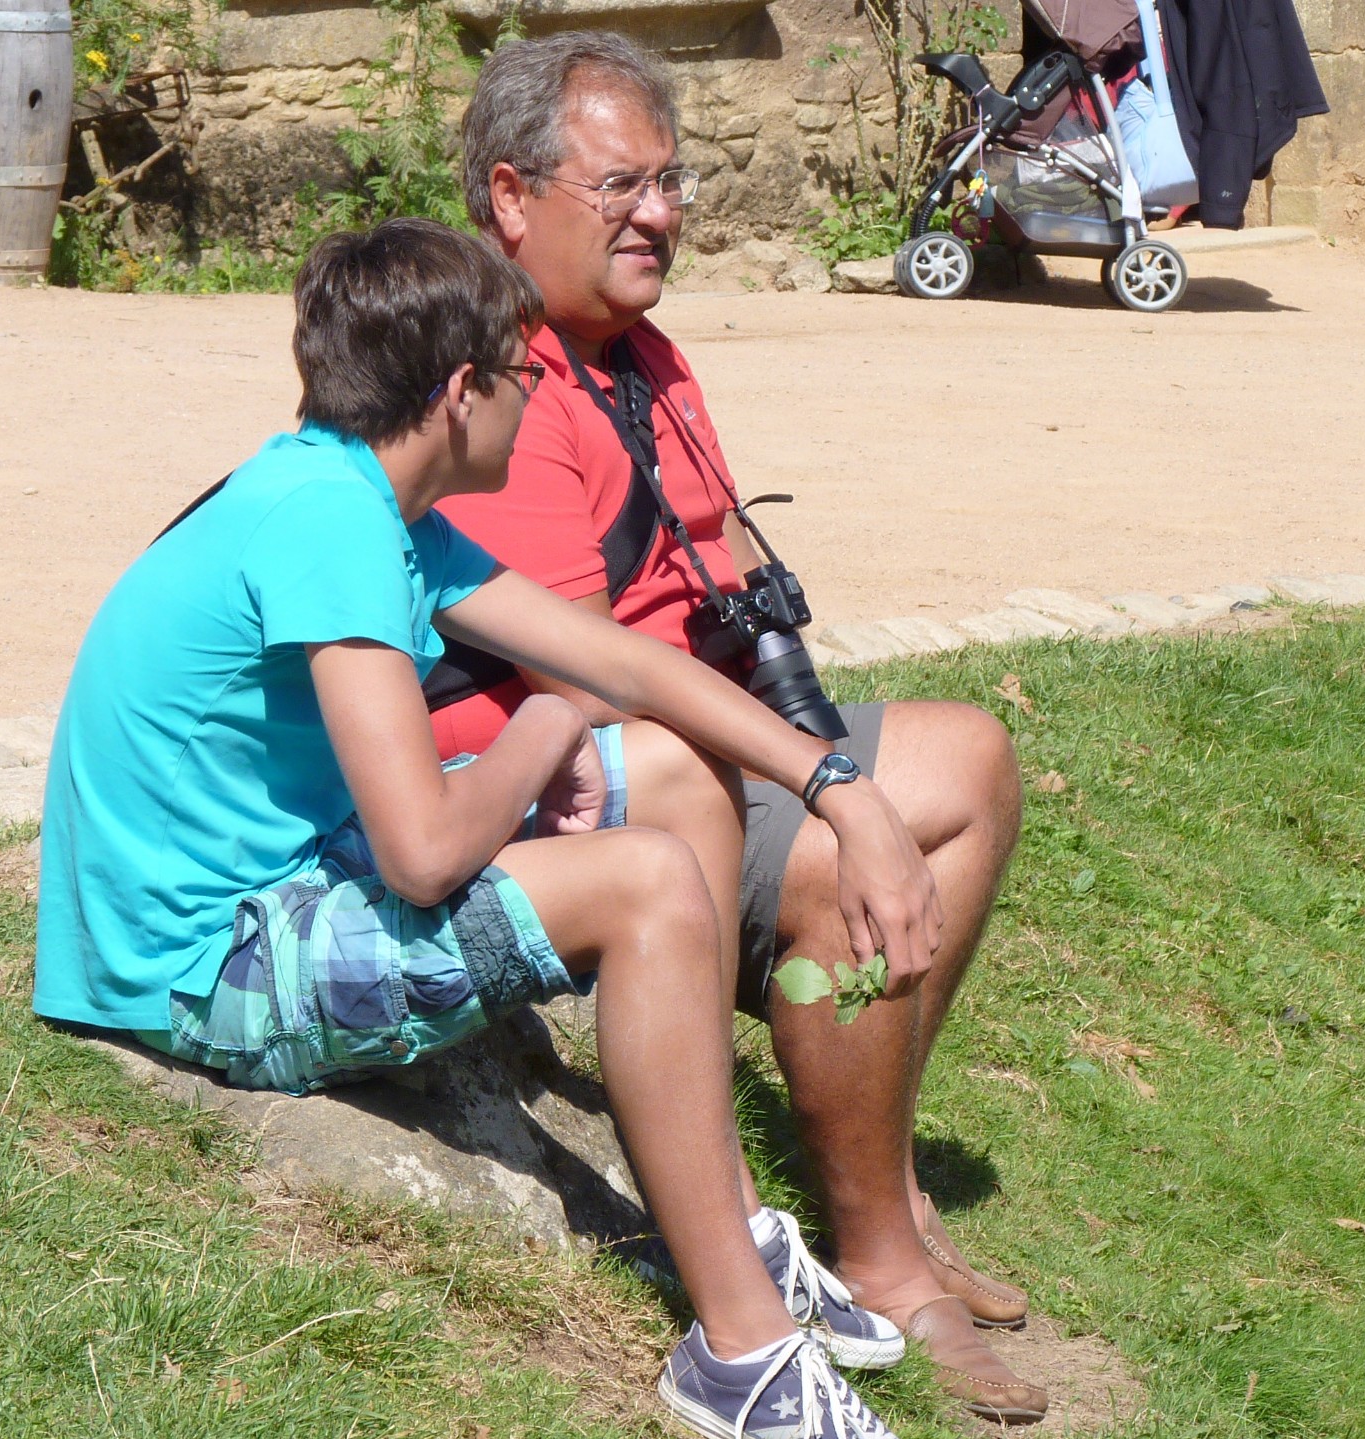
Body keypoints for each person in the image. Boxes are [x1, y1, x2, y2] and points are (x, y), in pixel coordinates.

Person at [32, 217, 938, 1439]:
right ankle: (738, 1353)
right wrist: (546, 725)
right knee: (648, 882)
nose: (537, 398)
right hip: (197, 962)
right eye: (525, 375)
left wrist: (839, 786)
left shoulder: (364, 497)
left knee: (675, 770)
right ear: (463, 391)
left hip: (278, 869)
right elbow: (423, 853)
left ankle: (722, 1216)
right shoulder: (329, 524)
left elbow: (624, 663)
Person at [431, 32, 1043, 1424]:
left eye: (672, 181)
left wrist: (830, 752)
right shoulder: (496, 372)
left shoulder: (641, 354)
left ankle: (881, 1186)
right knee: (839, 856)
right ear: (512, 196)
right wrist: (836, 791)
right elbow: (599, 682)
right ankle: (877, 1255)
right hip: (577, 782)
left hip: (702, 738)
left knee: (971, 760)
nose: (660, 213)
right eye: (621, 185)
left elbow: (724, 584)